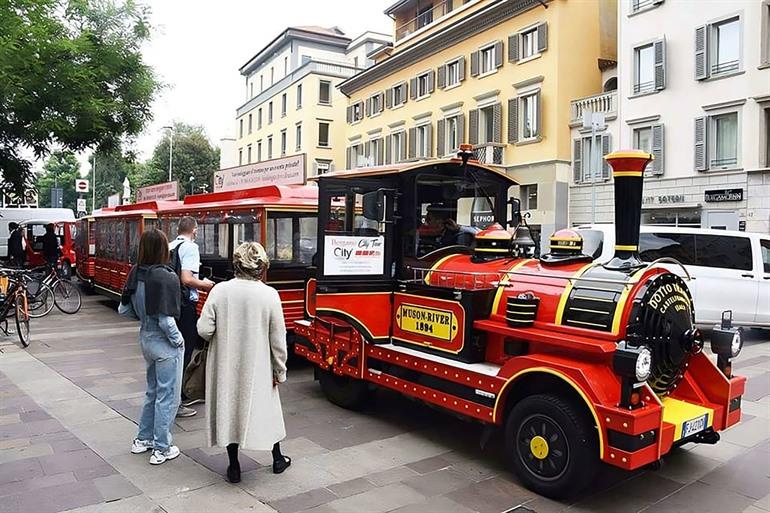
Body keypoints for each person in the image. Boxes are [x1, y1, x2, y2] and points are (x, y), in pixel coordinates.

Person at [197, 242, 290, 484]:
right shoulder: (270, 295)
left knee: (230, 411)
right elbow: (278, 339)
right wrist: (279, 370)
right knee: (269, 409)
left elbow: (204, 330)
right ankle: (278, 458)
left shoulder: (220, 291)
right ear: (261, 266)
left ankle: (234, 466)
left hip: (225, 364)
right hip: (259, 366)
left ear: (237, 263)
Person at [118, 229, 184, 465]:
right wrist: (178, 340)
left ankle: (142, 439)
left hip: (145, 337)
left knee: (152, 392)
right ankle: (162, 448)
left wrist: (144, 318)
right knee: (168, 396)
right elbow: (167, 320)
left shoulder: (136, 273)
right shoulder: (164, 276)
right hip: (164, 344)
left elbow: (123, 310)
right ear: (163, 249)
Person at [169, 216, 214, 418]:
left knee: (174, 351)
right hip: (186, 305)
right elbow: (187, 279)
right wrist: (207, 285)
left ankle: (174, 395)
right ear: (194, 230)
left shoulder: (171, 245)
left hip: (172, 303)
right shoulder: (190, 248)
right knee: (184, 352)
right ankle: (177, 400)